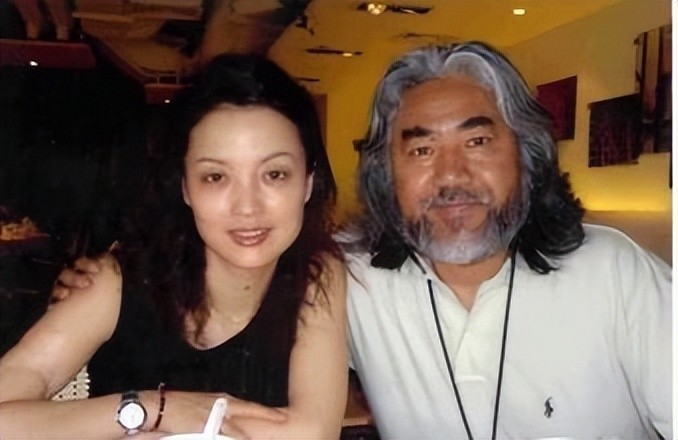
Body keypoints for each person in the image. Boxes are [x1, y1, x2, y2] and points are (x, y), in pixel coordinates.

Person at [0, 53, 347, 439]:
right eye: (215, 177)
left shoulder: (318, 275)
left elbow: (314, 432)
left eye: (275, 174)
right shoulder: (117, 283)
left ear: (308, 183)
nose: (247, 207)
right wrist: (152, 409)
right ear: (184, 187)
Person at [340, 41, 672, 439]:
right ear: (386, 176)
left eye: (477, 142)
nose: (451, 175)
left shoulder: (613, 273)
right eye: (422, 150)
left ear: (525, 156)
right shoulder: (352, 282)